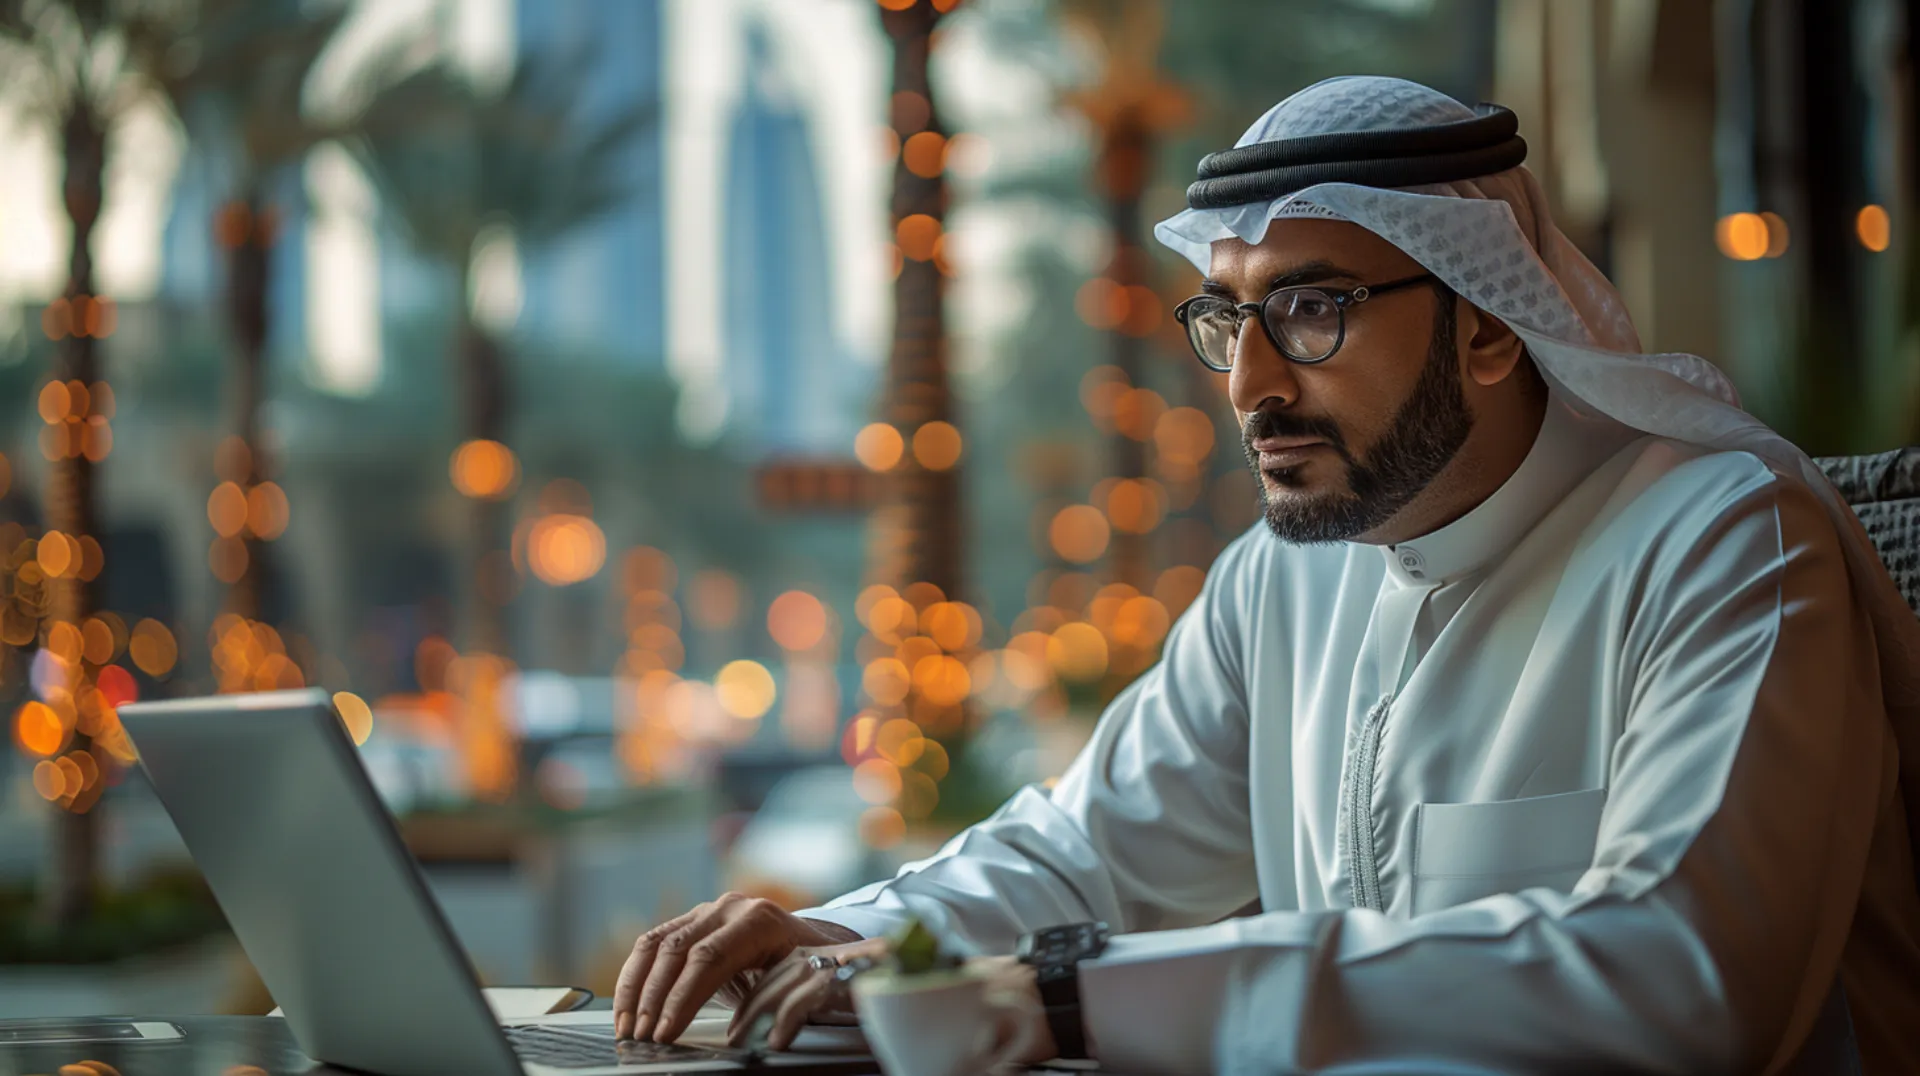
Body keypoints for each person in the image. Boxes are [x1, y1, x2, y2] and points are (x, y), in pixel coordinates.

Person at [612, 76, 1920, 1073]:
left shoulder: (1725, 541)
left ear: (1487, 325)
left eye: (1311, 308)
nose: (1249, 385)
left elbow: (1684, 975)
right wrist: (846, 943)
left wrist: (1071, 991)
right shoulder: (1282, 580)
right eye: (1230, 315)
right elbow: (1088, 855)